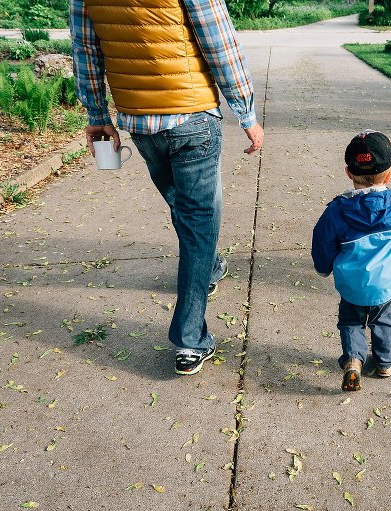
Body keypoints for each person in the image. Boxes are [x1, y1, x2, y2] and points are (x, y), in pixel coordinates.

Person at [71, 0, 264, 375]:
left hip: (140, 122)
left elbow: (86, 51)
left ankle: (207, 269)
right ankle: (190, 340)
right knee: (198, 221)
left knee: (184, 208)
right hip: (192, 117)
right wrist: (246, 113)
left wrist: (98, 116)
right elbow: (220, 43)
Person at [312, 131, 391, 391]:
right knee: (384, 321)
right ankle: (384, 362)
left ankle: (353, 360)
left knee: (351, 321)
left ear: (348, 172)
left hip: (352, 286)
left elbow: (322, 242)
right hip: (386, 285)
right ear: (388, 175)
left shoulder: (336, 211)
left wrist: (323, 267)